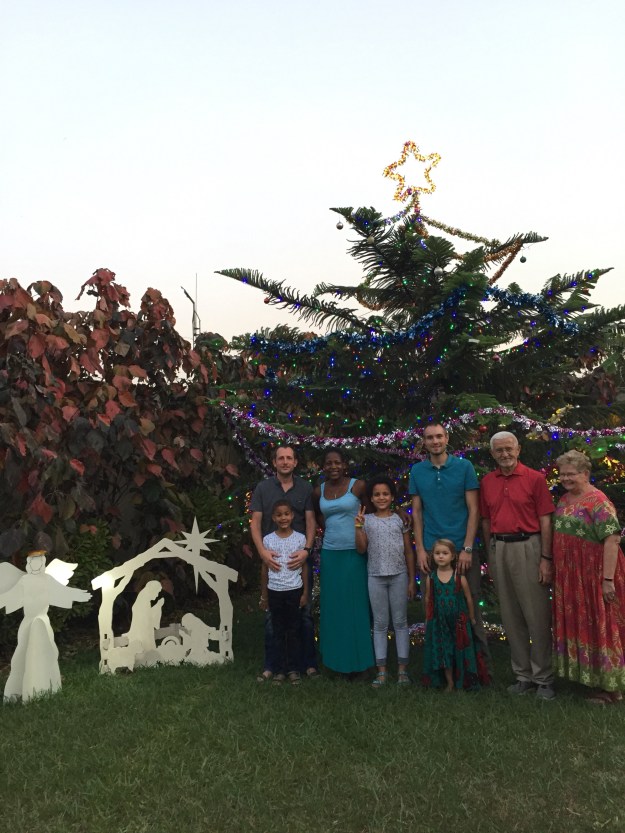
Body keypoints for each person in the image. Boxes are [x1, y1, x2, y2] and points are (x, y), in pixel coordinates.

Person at [480, 431, 556, 699]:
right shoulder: (487, 482)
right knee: (511, 616)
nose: (505, 454)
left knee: (536, 615)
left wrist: (546, 558)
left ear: (518, 449)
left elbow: (546, 520)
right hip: (499, 547)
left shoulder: (535, 479)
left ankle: (543, 678)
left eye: (509, 449)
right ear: (492, 454)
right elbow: (486, 520)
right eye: (499, 450)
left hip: (529, 546)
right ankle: (523, 676)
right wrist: (491, 554)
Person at [408, 423, 490, 668]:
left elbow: (474, 510)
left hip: (461, 549)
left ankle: (479, 665)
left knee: (469, 603)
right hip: (431, 549)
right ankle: (440, 665)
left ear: (447, 438)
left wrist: (467, 548)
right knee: (433, 607)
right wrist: (420, 549)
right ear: (424, 442)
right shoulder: (417, 471)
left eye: (439, 436)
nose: (435, 441)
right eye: (430, 438)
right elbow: (417, 513)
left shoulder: (464, 467)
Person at [553, 450, 625, 704]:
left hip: (596, 574)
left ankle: (611, 688)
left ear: (585, 474)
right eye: (562, 474)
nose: (565, 478)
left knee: (603, 623)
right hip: (573, 576)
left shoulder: (598, 501)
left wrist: (607, 580)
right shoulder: (564, 499)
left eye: (571, 474)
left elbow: (612, 540)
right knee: (586, 623)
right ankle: (592, 678)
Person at [249, 444, 318, 682]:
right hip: (274, 561)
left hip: (298, 560)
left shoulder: (305, 488)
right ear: (274, 462)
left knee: (304, 615)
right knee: (272, 618)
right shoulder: (263, 488)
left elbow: (311, 521)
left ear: (295, 462)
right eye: (281, 458)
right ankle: (272, 665)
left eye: (289, 458)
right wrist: (262, 552)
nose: (285, 462)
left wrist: (307, 550)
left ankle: (307, 663)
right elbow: (255, 523)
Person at [313, 449, 374, 676]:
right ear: (323, 467)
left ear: (344, 465)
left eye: (337, 462)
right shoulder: (318, 491)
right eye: (328, 463)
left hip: (354, 553)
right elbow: (319, 517)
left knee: (356, 606)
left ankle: (360, 662)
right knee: (333, 607)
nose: (333, 467)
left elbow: (373, 510)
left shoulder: (358, 486)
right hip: (331, 554)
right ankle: (335, 662)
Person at [355, 476, 415, 687]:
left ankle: (402, 670)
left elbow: (408, 551)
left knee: (400, 622)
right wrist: (358, 527)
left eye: (385, 494)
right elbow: (361, 549)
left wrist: (411, 580)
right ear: (371, 498)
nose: (381, 498)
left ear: (392, 497)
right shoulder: (367, 520)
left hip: (399, 575)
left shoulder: (400, 520)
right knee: (380, 624)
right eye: (377, 494)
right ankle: (381, 671)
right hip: (375, 576)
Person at [422, 539, 489, 691]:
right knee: (445, 650)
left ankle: (462, 679)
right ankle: (449, 682)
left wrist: (471, 617)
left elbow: (468, 599)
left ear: (452, 556)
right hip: (440, 622)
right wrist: (428, 617)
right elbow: (428, 599)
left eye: (445, 553)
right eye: (437, 553)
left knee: (459, 650)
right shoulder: (431, 578)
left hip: (459, 622)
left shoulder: (459, 577)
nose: (440, 556)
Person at [261, 499, 309, 685]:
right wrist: (264, 595)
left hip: (294, 590)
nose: (283, 518)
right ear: (273, 518)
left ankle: (294, 669)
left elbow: (304, 567)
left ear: (292, 516)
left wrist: (305, 592)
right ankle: (279, 670)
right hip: (275, 591)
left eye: (286, 514)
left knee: (294, 631)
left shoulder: (300, 539)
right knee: (278, 631)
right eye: (279, 515)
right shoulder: (268, 540)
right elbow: (264, 568)